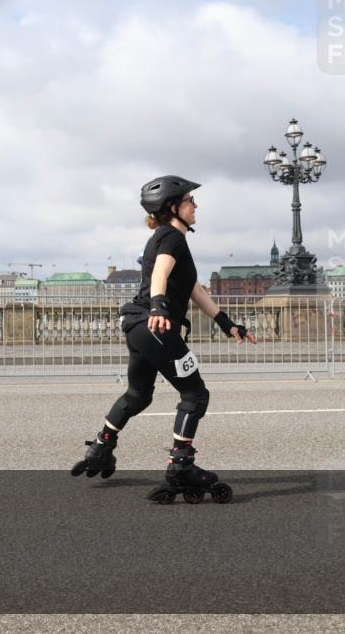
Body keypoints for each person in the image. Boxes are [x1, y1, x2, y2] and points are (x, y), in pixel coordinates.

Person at [70, 176, 256, 499]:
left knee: (138, 396)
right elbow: (160, 274)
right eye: (189, 201)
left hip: (138, 326)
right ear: (173, 207)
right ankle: (180, 465)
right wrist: (159, 307)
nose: (195, 206)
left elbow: (194, 289)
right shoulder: (172, 237)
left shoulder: (166, 237)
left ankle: (101, 447)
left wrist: (226, 323)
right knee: (196, 395)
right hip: (156, 325)